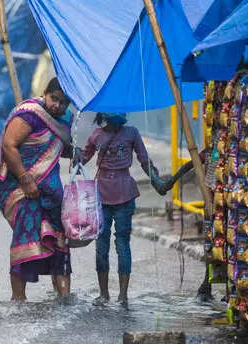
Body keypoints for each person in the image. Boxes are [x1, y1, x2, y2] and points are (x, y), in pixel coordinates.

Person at [77, 113, 193, 306]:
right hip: (104, 197)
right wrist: (69, 149)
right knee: (105, 245)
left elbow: (144, 160)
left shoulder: (127, 133)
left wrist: (157, 181)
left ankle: (120, 295)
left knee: (117, 245)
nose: (121, 114)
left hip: (121, 195)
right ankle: (107, 294)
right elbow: (82, 158)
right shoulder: (100, 135)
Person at [0, 77, 78, 302]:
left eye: (63, 103)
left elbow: (64, 149)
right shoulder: (30, 113)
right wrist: (24, 178)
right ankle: (18, 299)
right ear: (44, 94)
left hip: (51, 192)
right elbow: (9, 145)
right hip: (21, 189)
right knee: (26, 236)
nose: (56, 106)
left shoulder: (66, 119)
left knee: (59, 241)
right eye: (53, 99)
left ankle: (64, 297)